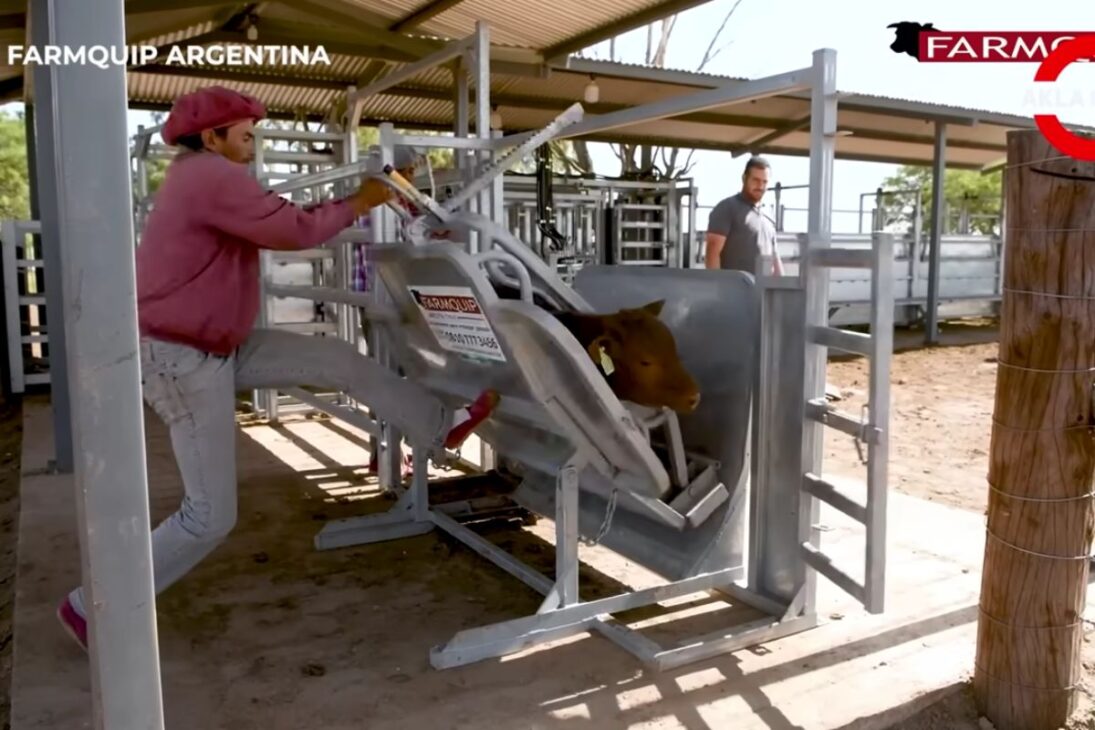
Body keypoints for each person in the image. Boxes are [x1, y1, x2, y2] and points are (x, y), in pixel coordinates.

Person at [55, 86, 500, 650]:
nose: (253, 144)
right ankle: (90, 607)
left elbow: (285, 216)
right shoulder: (208, 176)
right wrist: (362, 201)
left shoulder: (202, 175)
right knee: (208, 516)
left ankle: (440, 425)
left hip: (217, 344)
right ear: (211, 137)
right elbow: (293, 230)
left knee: (336, 359)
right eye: (245, 135)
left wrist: (364, 196)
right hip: (183, 356)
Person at [704, 156, 784, 276]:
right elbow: (712, 254)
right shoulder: (727, 208)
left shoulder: (768, 214)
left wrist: (782, 286)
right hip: (734, 286)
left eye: (765, 182)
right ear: (744, 178)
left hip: (763, 287)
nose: (760, 186)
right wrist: (718, 286)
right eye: (756, 180)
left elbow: (775, 258)